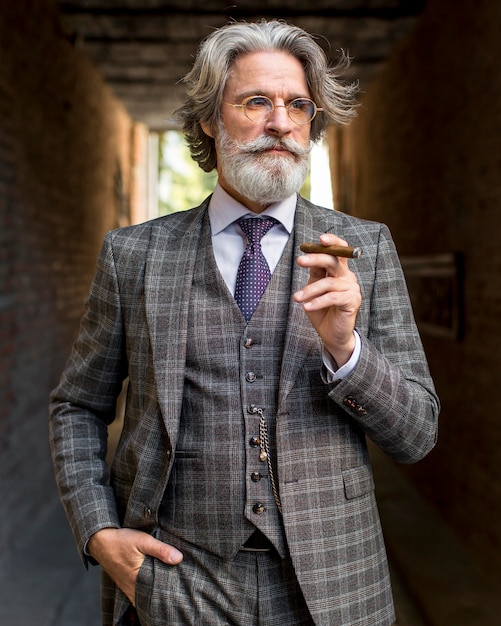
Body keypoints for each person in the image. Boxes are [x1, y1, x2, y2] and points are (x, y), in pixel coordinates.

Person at [49, 19, 439, 626]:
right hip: (175, 582)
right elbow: (77, 405)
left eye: (297, 105)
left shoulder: (366, 248)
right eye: (256, 101)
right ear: (209, 118)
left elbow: (417, 434)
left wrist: (348, 350)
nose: (281, 121)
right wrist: (98, 531)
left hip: (333, 589)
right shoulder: (135, 255)